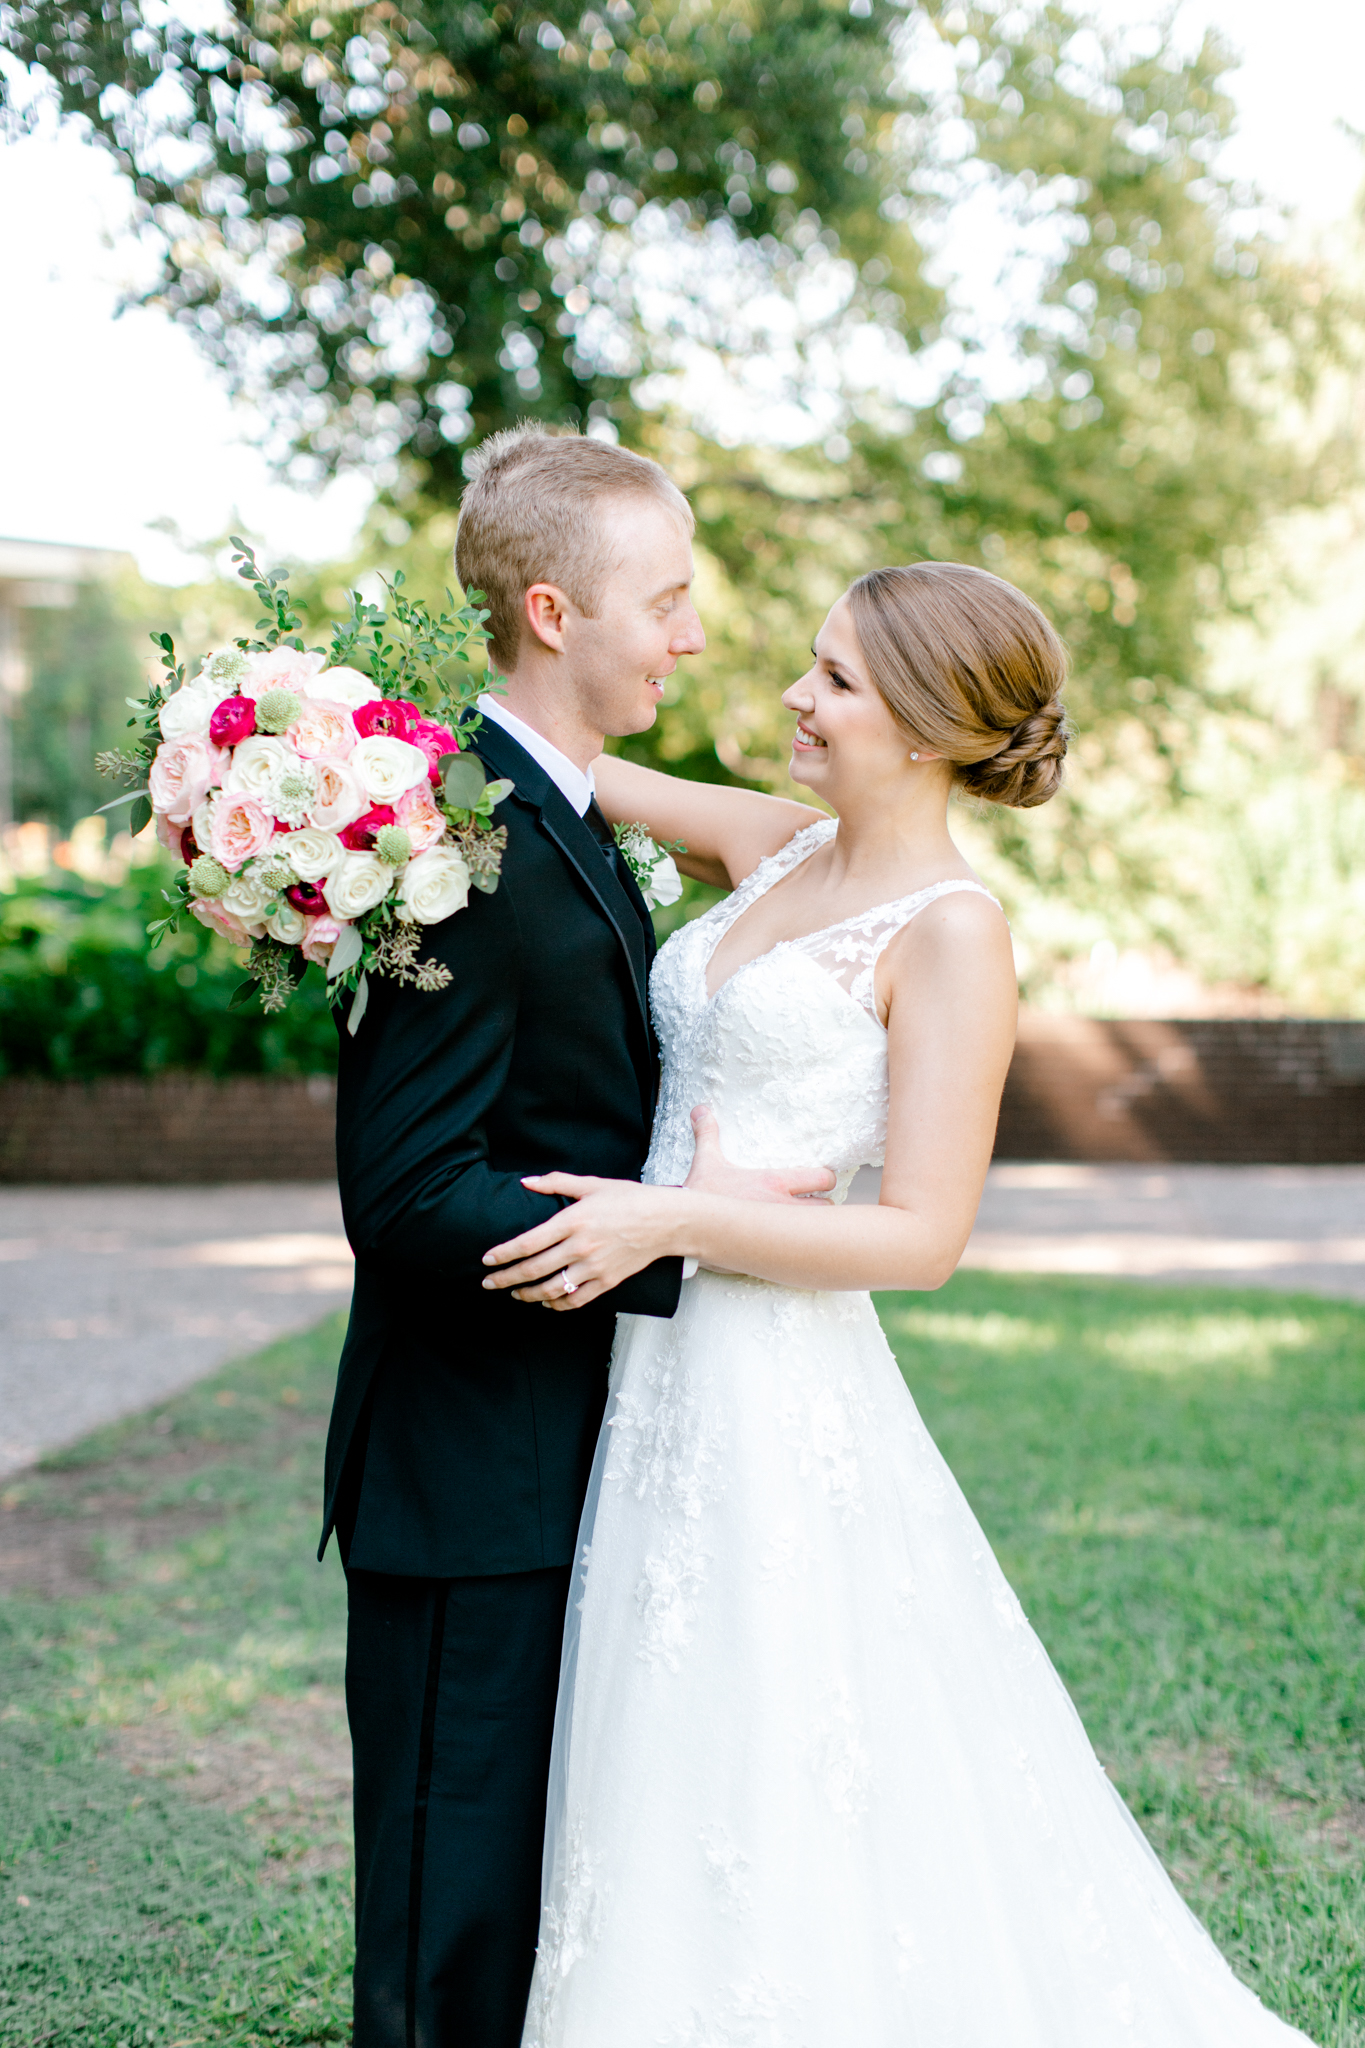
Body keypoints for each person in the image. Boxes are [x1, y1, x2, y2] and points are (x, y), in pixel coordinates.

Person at [483, 562, 1316, 2046]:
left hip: (768, 1366)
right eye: (811, 665)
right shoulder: (777, 847)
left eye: (839, 683)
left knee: (777, 1699)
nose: (796, 698)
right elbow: (571, 770)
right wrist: (321, 765)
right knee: (666, 1703)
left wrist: (682, 1216)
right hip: (650, 1352)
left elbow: (925, 1235)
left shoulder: (951, 933)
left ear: (929, 727)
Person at [319, 425, 830, 2046]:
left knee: (528, 1901)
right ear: (554, 614)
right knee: (446, 1922)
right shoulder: (456, 848)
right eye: (664, 602)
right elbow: (405, 1191)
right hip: (468, 1475)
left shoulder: (543, 804)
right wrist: (675, 1236)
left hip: (566, 1452)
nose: (691, 636)